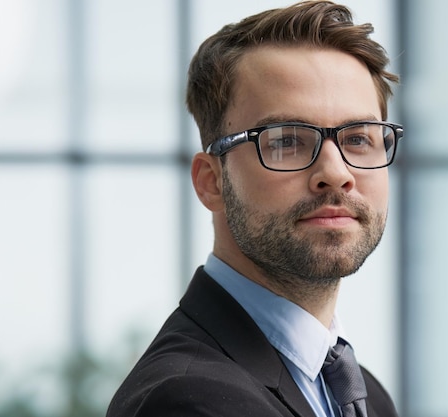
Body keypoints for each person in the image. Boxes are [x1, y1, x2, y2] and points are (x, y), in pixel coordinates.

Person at [106, 1, 402, 416]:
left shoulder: (362, 392)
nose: (336, 173)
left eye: (358, 138)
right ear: (212, 182)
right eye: (285, 140)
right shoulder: (188, 401)